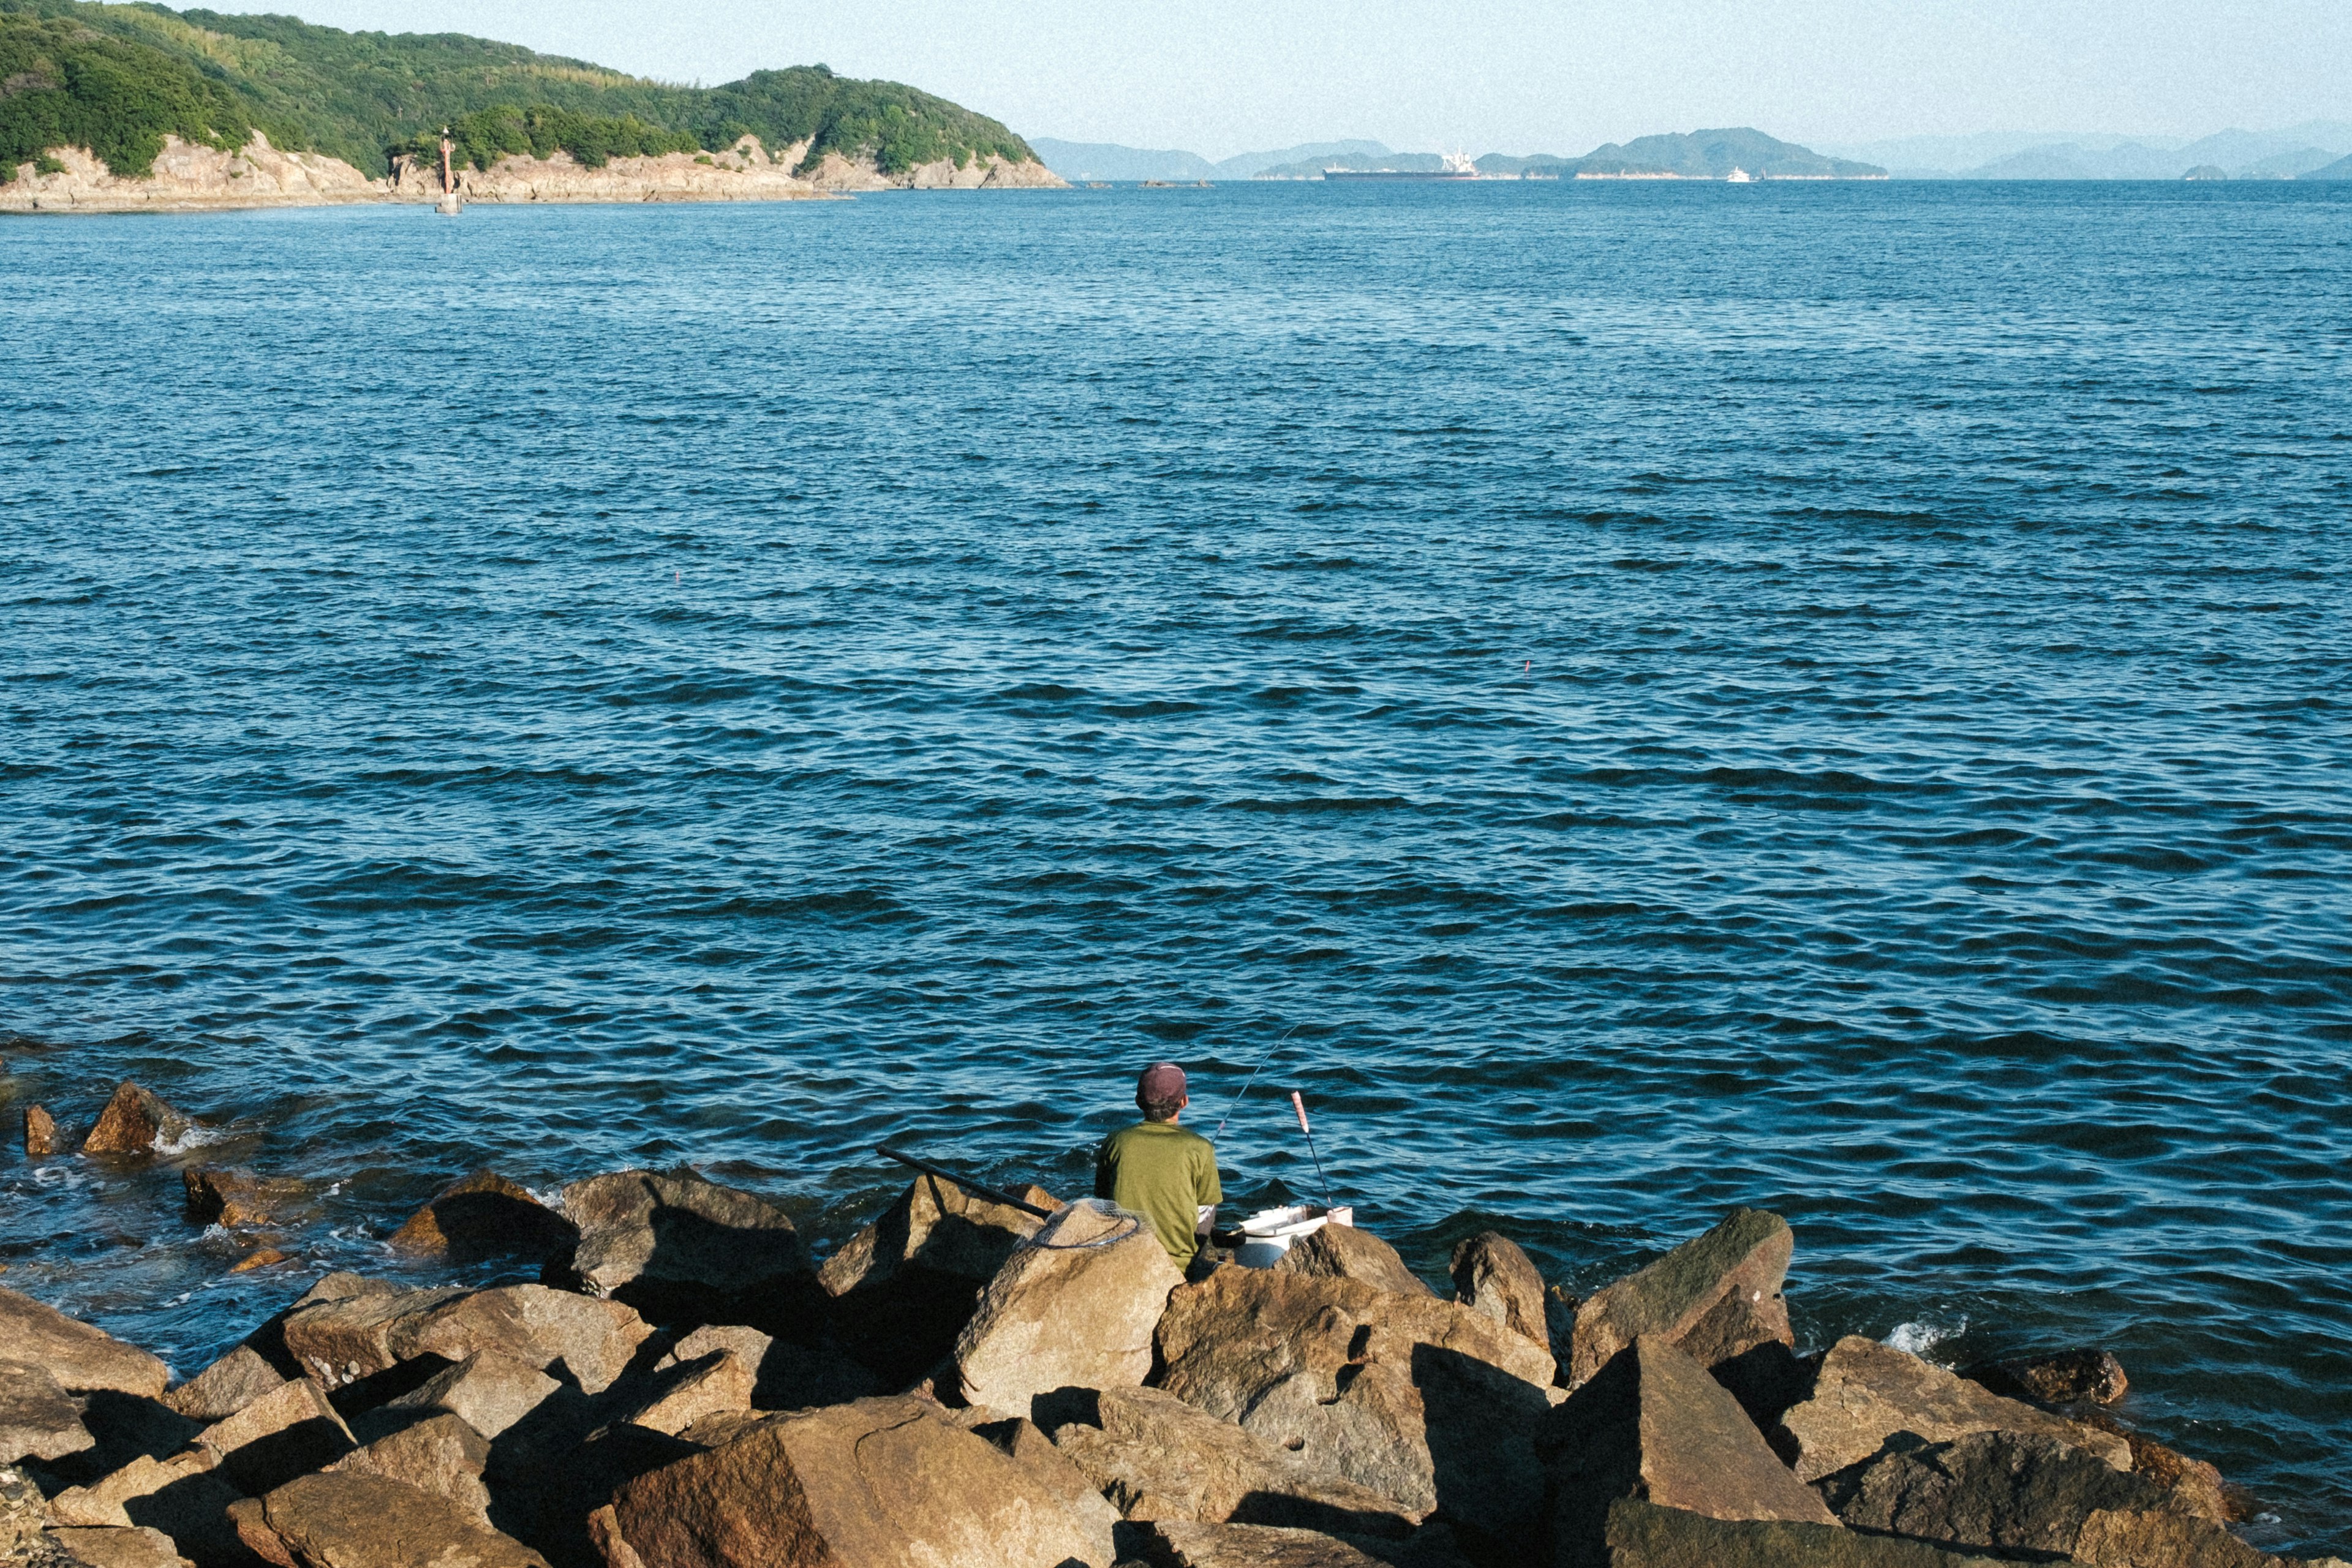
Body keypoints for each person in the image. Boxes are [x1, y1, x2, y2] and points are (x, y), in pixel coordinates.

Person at [1095, 1061, 1223, 1272]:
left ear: (1138, 1101)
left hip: (1122, 1257)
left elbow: (1102, 1198)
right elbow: (1206, 1208)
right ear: (1184, 1102)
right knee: (1209, 1203)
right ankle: (1191, 1261)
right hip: (1177, 1265)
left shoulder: (1115, 1141)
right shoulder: (1201, 1148)